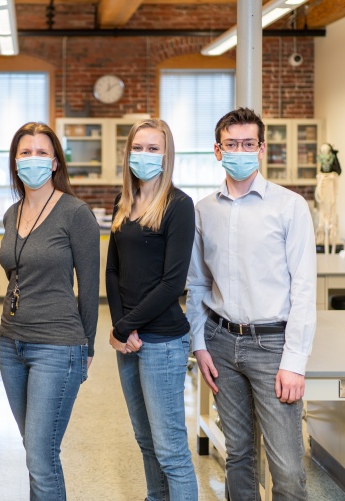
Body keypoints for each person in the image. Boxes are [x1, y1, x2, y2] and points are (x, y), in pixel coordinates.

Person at [187, 108, 316, 500]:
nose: (239, 151)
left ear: (261, 149)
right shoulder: (204, 210)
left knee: (289, 469)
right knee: (239, 457)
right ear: (217, 150)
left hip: (272, 347)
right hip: (222, 344)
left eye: (248, 144)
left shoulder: (289, 206)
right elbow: (196, 283)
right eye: (231, 144)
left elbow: (305, 289)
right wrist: (199, 344)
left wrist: (294, 362)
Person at [0, 122, 99, 501]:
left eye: (42, 153)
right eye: (25, 152)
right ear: (14, 161)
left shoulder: (76, 213)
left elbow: (89, 288)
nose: (33, 160)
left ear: (56, 163)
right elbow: (14, 273)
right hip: (10, 345)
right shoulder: (12, 213)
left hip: (57, 347)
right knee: (34, 452)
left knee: (42, 457)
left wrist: (86, 349)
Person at [106, 118, 198, 500]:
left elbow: (172, 284)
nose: (144, 155)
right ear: (127, 153)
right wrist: (121, 328)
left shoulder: (179, 205)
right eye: (138, 148)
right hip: (130, 340)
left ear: (166, 154)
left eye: (153, 148)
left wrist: (125, 327)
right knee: (145, 441)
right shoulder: (123, 202)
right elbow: (112, 269)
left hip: (162, 341)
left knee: (171, 450)